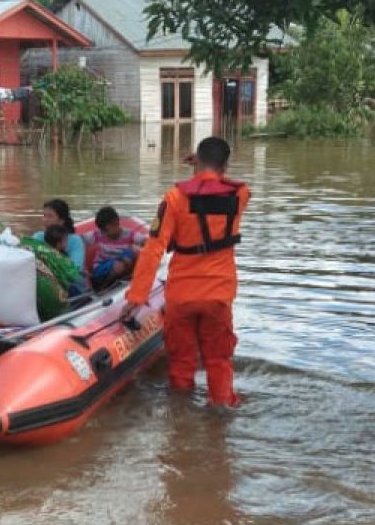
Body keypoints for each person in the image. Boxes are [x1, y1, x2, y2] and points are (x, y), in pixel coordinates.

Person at [121, 137, 251, 407]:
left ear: (197, 161)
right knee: (218, 361)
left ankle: (180, 419)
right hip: (218, 296)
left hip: (181, 296)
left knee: (181, 362)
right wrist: (207, 167)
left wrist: (136, 298)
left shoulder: (174, 198)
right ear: (225, 165)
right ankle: (221, 415)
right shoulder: (239, 196)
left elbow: (153, 250)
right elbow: (224, 182)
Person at [85, 205, 145, 290]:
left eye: (106, 230)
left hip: (119, 266)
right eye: (102, 231)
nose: (104, 234)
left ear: (116, 223)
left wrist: (137, 249)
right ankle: (102, 288)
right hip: (100, 269)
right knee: (118, 265)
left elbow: (146, 241)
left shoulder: (129, 235)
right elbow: (78, 240)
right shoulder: (97, 235)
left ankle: (111, 284)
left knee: (129, 252)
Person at [33, 199, 85, 269]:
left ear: (62, 220)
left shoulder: (74, 240)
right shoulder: (38, 237)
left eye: (50, 216)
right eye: (44, 215)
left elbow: (76, 266)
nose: (45, 220)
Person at [44, 224, 87, 297]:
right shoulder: (60, 258)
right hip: (66, 288)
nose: (67, 242)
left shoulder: (46, 254)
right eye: (66, 240)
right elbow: (71, 274)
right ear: (59, 244)